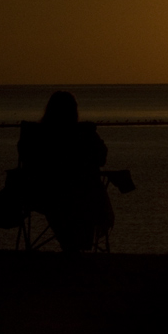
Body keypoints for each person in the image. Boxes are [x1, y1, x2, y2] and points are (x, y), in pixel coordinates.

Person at [19, 91, 112, 252]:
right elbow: (101, 158)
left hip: (44, 194)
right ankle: (78, 249)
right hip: (80, 194)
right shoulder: (85, 134)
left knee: (69, 209)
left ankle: (73, 248)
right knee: (84, 206)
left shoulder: (35, 134)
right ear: (73, 111)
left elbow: (26, 160)